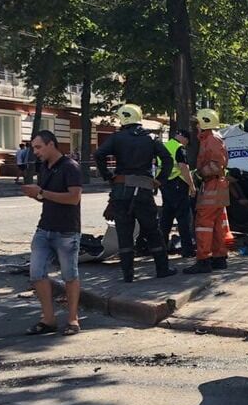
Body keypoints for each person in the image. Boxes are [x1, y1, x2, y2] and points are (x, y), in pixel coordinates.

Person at [94, 103, 177, 283]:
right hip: (143, 191)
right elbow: (168, 159)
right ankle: (162, 269)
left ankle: (128, 275)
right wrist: (160, 180)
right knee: (152, 231)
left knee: (124, 233)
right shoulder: (150, 139)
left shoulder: (116, 138)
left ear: (123, 119)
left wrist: (108, 175)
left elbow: (99, 154)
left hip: (120, 191)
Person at [21, 131, 83, 335]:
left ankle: (73, 319)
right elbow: (45, 196)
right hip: (44, 228)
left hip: (66, 230)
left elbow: (74, 198)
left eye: (38, 147)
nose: (35, 152)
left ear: (51, 144)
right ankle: (48, 318)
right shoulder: (45, 167)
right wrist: (36, 194)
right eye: (34, 148)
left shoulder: (70, 167)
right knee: (36, 273)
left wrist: (41, 193)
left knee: (69, 275)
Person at [185, 109, 231, 274]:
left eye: (197, 123)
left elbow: (216, 165)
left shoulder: (211, 140)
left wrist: (198, 174)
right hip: (217, 184)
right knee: (217, 224)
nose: (196, 126)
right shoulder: (212, 139)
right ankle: (219, 258)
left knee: (203, 223)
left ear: (204, 123)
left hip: (212, 185)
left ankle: (203, 260)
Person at [158, 128, 198, 258]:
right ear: (184, 138)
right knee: (184, 219)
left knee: (166, 219)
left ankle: (161, 249)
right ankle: (187, 250)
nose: (186, 144)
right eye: (187, 141)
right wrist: (192, 186)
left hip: (165, 185)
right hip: (178, 185)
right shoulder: (179, 148)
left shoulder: (164, 146)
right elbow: (183, 167)